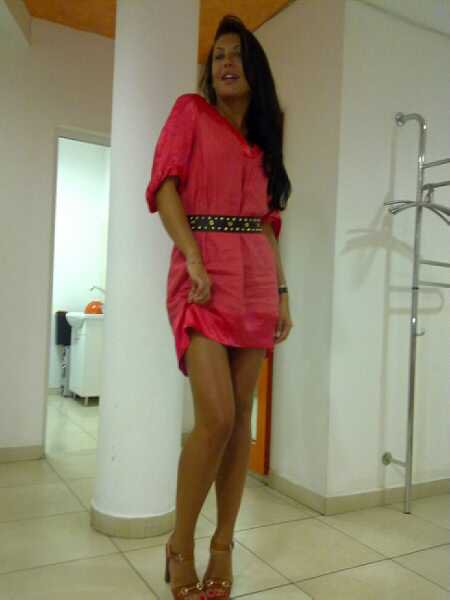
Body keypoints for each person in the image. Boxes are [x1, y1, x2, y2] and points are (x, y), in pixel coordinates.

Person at [145, 14, 293, 600]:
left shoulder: (265, 139)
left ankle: (224, 545)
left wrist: (282, 291)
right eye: (218, 56)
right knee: (217, 418)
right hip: (203, 273)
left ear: (254, 69)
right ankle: (179, 543)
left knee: (240, 423)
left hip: (256, 279)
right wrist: (192, 255)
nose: (225, 63)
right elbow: (164, 186)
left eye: (236, 55)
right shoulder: (190, 112)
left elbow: (267, 223)